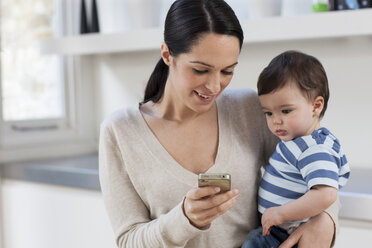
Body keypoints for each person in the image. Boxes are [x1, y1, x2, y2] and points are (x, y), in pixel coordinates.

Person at [99, 1, 339, 247]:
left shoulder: (249, 110)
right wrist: (184, 219)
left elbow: (316, 164)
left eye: (227, 71)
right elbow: (129, 240)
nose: (214, 86)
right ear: (167, 55)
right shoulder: (120, 131)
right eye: (200, 70)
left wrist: (325, 221)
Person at [242, 50, 350, 248]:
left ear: (316, 106)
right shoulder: (299, 142)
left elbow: (326, 194)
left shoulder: (314, 148)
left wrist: (282, 212)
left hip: (284, 234)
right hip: (276, 230)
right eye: (268, 113)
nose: (275, 121)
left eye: (285, 111)